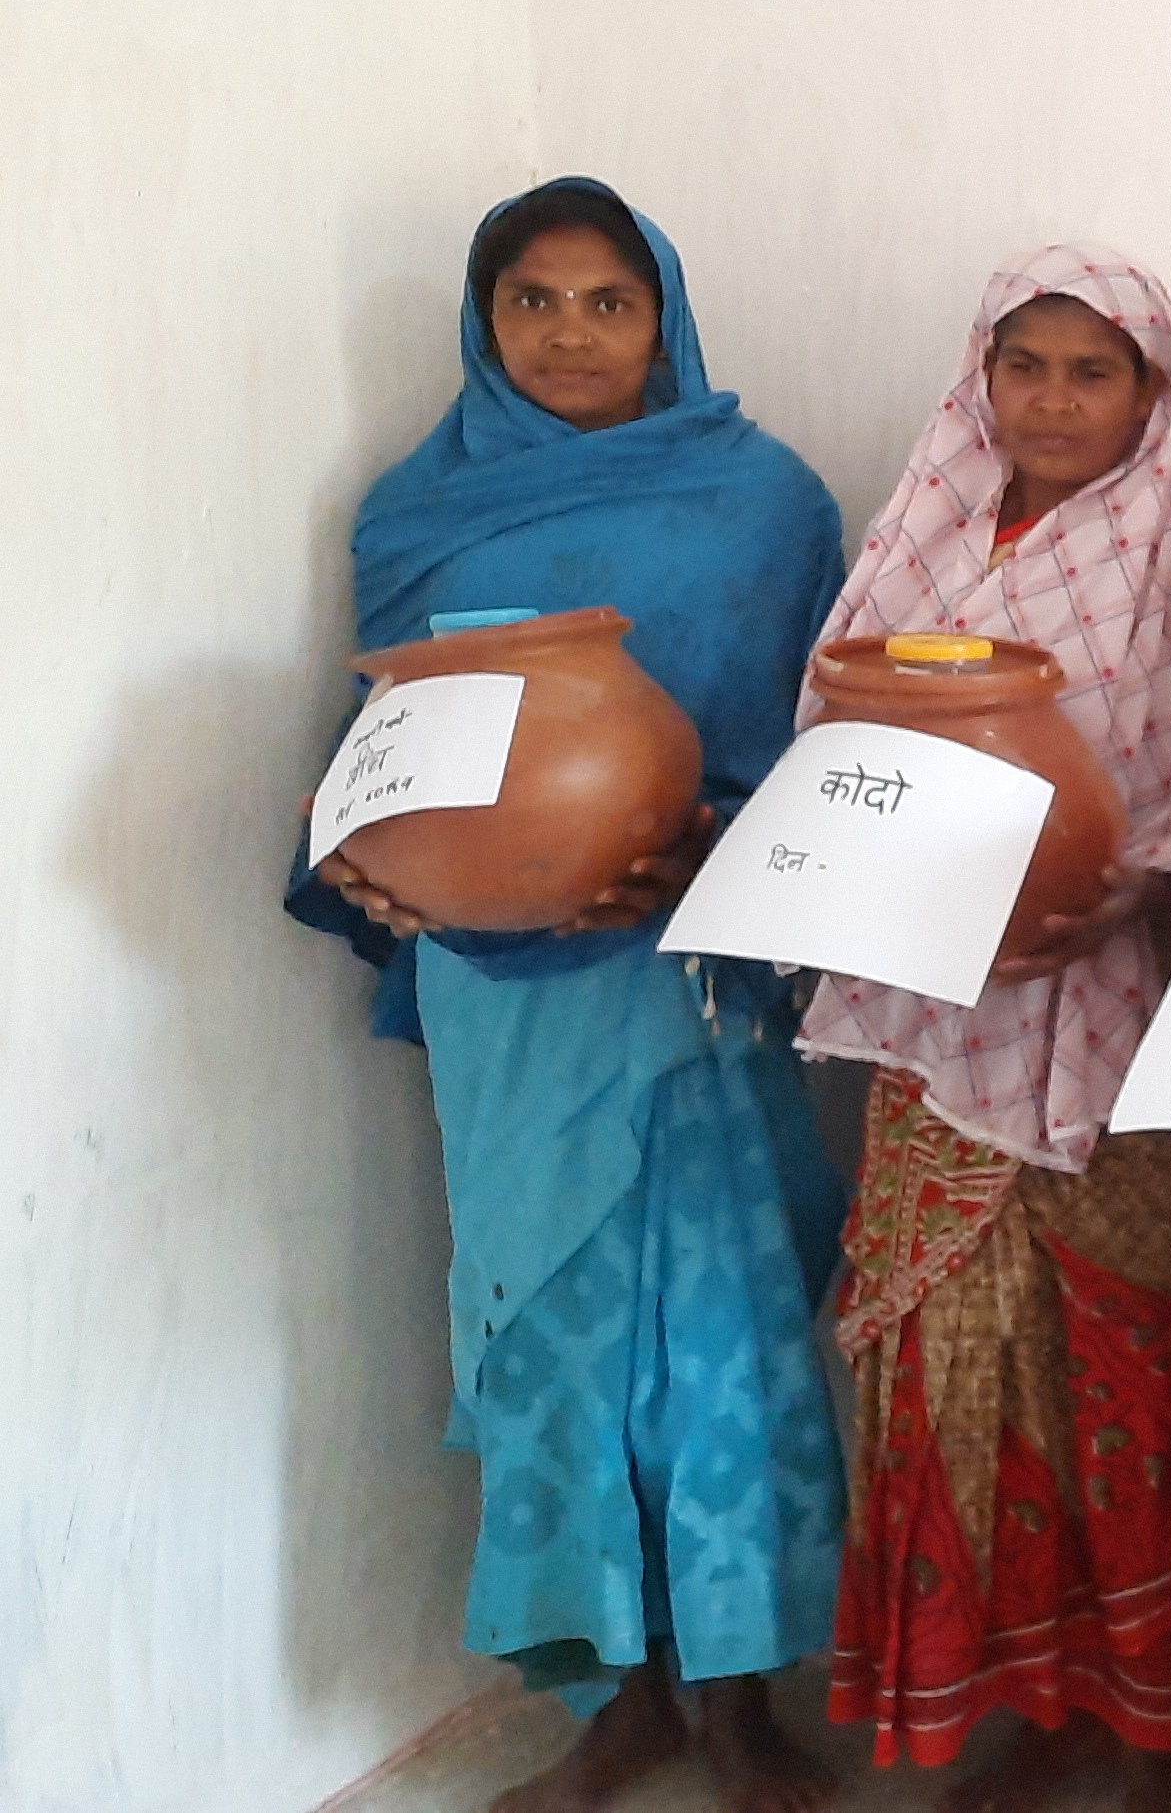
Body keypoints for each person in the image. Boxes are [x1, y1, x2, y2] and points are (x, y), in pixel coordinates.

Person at [290, 179, 851, 1813]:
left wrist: (700, 846)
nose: (571, 334)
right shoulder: (415, 513)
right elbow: (372, 770)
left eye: (609, 301)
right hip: (501, 1005)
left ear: (664, 313)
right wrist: (369, 871)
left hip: (690, 984)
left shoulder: (763, 503)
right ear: (483, 322)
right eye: (533, 301)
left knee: (725, 1346)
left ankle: (741, 1700)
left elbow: (823, 758)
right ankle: (615, 1698)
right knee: (553, 1346)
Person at [797, 247, 1171, 1812]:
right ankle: (1036, 1706)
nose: (1055, 402)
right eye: (1027, 367)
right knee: (954, 1378)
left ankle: (1157, 1735)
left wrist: (1121, 901)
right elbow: (835, 732)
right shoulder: (921, 524)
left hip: (1118, 1025)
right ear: (981, 378)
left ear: (1150, 390)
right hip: (934, 1027)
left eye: (1094, 371)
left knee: (1139, 1379)